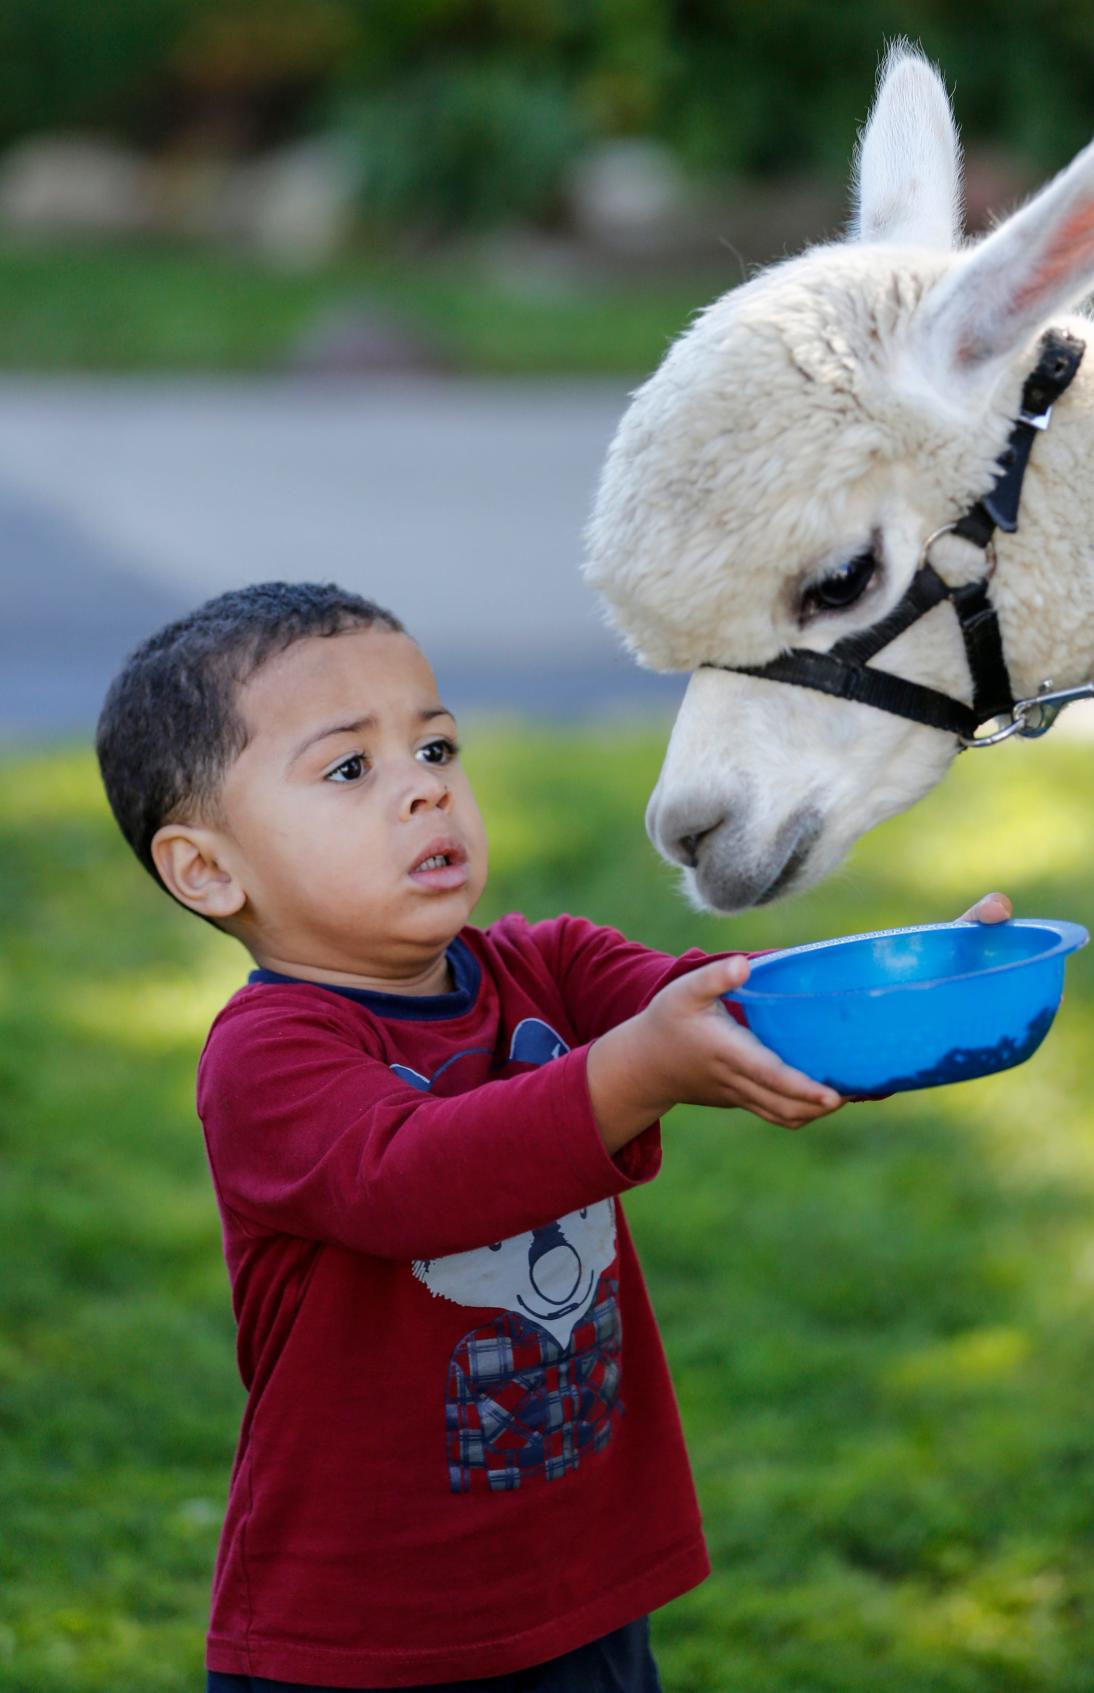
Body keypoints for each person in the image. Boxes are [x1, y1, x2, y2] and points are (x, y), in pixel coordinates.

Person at [95, 581, 1012, 1693]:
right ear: (208, 868)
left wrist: (907, 990)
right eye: (351, 769)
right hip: (363, 1631)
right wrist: (629, 1071)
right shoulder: (270, 1057)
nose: (425, 793)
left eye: (436, 748)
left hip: (580, 1587)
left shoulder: (549, 964)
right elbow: (414, 1180)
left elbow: (727, 1012)